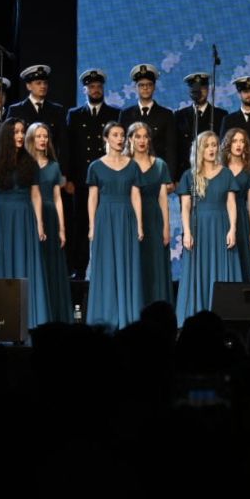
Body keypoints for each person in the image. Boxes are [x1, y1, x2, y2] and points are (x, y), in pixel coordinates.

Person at [0, 119, 51, 327]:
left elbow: (35, 194)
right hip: (1, 216)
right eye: (15, 132)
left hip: (24, 216)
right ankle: (0, 318)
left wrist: (39, 223)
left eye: (22, 132)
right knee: (0, 262)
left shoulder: (30, 162)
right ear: (6, 136)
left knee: (24, 261)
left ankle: (29, 317)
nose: (20, 136)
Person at [176, 130, 239, 324]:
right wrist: (187, 232)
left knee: (221, 267)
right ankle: (196, 315)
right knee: (199, 269)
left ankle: (224, 314)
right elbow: (185, 207)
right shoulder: (190, 175)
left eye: (214, 145)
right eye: (207, 146)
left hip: (221, 225)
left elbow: (231, 203)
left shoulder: (226, 173)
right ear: (199, 149)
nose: (211, 149)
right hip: (199, 227)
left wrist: (232, 228)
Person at [86, 121, 144, 329]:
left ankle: (128, 315)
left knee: (127, 263)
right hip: (105, 218)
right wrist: (92, 226)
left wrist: (139, 224)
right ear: (106, 138)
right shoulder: (95, 166)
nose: (119, 139)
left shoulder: (133, 165)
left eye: (122, 135)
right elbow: (93, 198)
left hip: (126, 216)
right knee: (106, 264)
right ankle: (106, 316)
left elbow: (135, 196)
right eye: (115, 135)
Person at [65, 69, 121, 277]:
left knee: (106, 225)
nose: (96, 90)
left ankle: (108, 270)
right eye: (92, 87)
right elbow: (69, 149)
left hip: (107, 181)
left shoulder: (115, 114)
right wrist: (68, 178)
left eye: (99, 87)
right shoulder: (74, 115)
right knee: (81, 226)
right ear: (85, 90)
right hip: (81, 182)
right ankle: (79, 271)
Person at [26, 121, 71, 324]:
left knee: (50, 263)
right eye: (39, 136)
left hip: (51, 217)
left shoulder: (54, 166)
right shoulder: (24, 164)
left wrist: (62, 228)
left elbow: (57, 198)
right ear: (31, 139)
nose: (43, 140)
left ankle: (51, 312)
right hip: (30, 215)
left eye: (45, 136)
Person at [128, 121, 174, 307]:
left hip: (154, 218)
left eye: (145, 137)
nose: (142, 140)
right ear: (130, 139)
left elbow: (163, 198)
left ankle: (157, 308)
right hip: (131, 217)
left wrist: (166, 227)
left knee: (155, 263)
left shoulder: (160, 165)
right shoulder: (125, 164)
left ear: (149, 140)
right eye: (137, 137)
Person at [119, 63, 179, 168]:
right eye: (141, 85)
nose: (145, 88)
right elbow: (121, 146)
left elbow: (171, 150)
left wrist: (169, 175)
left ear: (154, 87)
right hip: (131, 170)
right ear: (135, 88)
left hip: (157, 170)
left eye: (149, 84)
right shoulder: (125, 115)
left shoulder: (166, 115)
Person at [174, 71, 229, 180]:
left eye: (203, 88)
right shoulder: (179, 116)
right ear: (190, 92)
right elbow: (175, 148)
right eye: (196, 89)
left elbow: (224, 148)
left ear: (208, 89)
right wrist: (176, 178)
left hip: (213, 172)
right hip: (187, 173)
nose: (199, 92)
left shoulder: (220, 115)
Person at [5, 65, 68, 156]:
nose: (43, 86)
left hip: (49, 161)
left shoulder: (57, 110)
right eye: (38, 83)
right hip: (24, 161)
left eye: (45, 83)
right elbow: (8, 140)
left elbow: (63, 144)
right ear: (28, 86)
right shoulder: (16, 110)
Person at [222, 127, 250, 282]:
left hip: (242, 217)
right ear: (228, 144)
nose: (238, 145)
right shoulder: (219, 168)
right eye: (235, 141)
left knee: (243, 259)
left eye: (242, 141)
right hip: (222, 214)